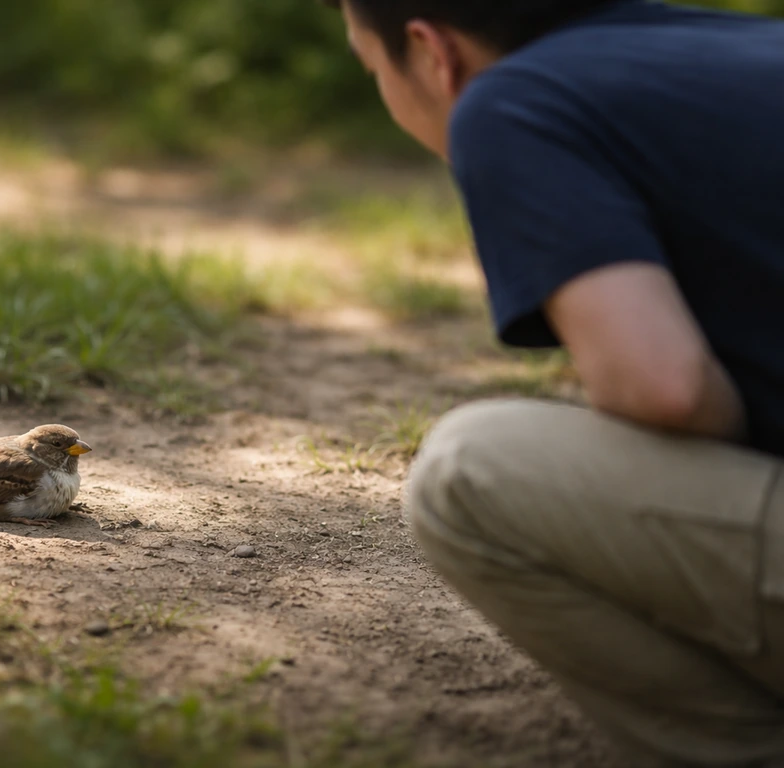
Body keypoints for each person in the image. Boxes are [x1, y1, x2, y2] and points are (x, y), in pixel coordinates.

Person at [323, 0, 784, 765]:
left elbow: (664, 388)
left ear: (431, 53)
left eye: (370, 67)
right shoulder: (747, 48)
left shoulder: (512, 101)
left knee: (467, 472)